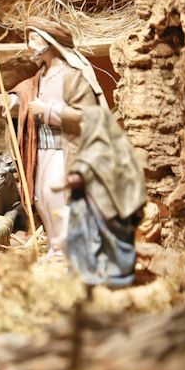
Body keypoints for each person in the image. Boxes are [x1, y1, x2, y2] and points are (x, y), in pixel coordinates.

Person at [0, 25, 106, 257]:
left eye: (34, 39)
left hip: (64, 148)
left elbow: (88, 115)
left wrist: (49, 110)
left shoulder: (72, 76)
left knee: (57, 196)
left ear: (50, 41)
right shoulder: (41, 76)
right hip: (41, 149)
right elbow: (26, 92)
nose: (30, 45)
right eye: (29, 39)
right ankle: (56, 248)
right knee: (40, 198)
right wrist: (14, 101)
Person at [64, 107, 147, 287]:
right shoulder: (118, 146)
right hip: (107, 207)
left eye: (85, 122)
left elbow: (86, 170)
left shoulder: (99, 149)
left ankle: (110, 272)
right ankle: (99, 270)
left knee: (109, 240)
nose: (83, 126)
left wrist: (75, 179)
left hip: (110, 210)